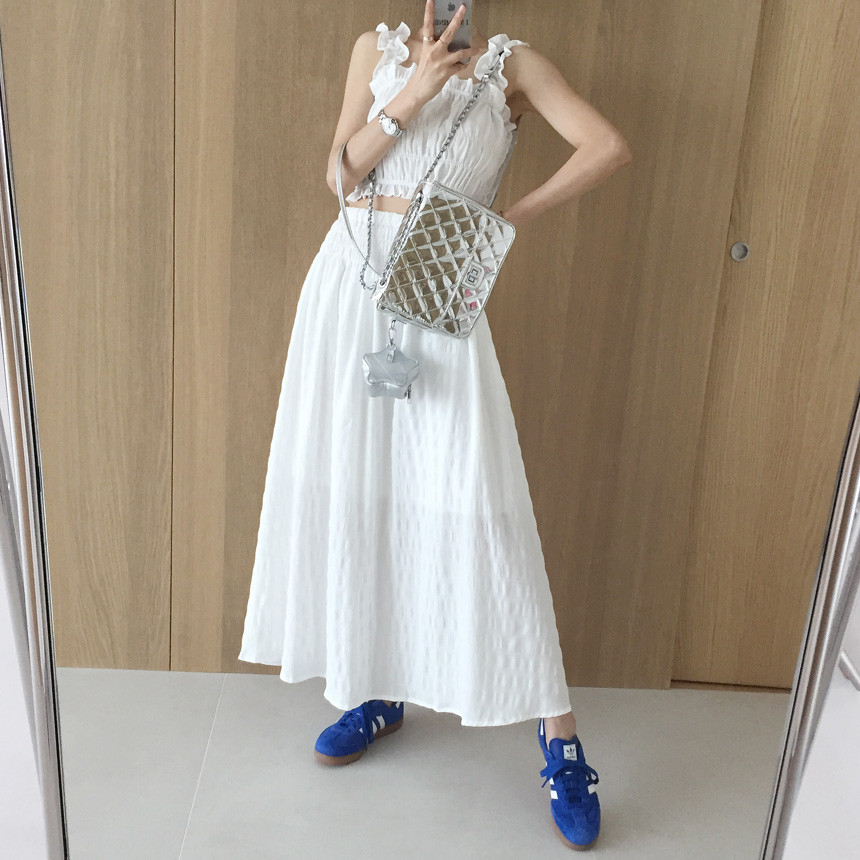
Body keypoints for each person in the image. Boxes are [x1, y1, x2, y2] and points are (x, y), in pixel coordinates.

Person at [239, 1, 631, 850]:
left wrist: (510, 220)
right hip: (348, 282)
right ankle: (376, 686)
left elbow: (607, 146)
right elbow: (339, 175)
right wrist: (413, 91)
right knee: (358, 488)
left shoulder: (513, 66)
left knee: (478, 503)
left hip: (439, 278)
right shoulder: (374, 50)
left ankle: (560, 739)